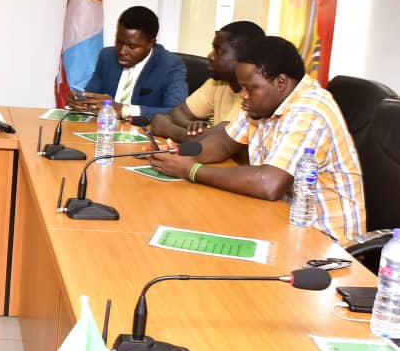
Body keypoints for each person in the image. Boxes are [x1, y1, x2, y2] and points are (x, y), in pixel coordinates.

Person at [148, 36, 364, 243]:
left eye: (250, 88)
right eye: (242, 87)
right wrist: (178, 155)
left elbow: (268, 183)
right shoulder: (263, 102)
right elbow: (223, 143)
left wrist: (192, 170)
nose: (243, 95)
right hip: (282, 220)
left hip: (327, 242)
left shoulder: (310, 112)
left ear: (281, 82)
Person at [149, 21, 265, 143]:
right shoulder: (217, 84)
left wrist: (167, 129)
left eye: (219, 51)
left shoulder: (254, 98)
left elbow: (219, 141)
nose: (210, 56)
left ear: (243, 56)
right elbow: (179, 111)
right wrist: (190, 125)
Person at [67, 5, 187, 118]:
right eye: (119, 42)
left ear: (151, 43)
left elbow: (177, 112)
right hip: (105, 127)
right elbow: (91, 95)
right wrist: (79, 101)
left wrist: (125, 110)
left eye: (132, 46)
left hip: (141, 130)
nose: (122, 51)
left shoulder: (170, 65)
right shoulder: (107, 56)